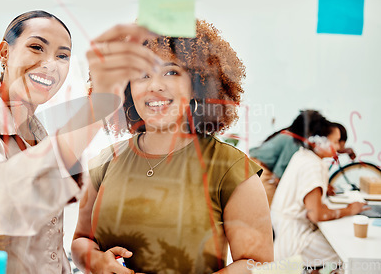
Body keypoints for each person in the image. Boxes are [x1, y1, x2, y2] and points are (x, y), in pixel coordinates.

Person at [0, 11, 159, 273]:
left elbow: (47, 244)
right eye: (36, 47)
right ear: (4, 53)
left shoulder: (39, 134)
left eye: (62, 55)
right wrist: (94, 108)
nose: (50, 64)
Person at [71, 20, 274, 273]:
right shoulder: (105, 161)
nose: (155, 85)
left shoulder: (230, 168)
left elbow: (258, 265)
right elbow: (81, 241)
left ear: (197, 84)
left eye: (171, 72)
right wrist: (97, 261)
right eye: (142, 75)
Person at [271, 115, 368, 267]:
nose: (338, 148)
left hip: (285, 232)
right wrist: (350, 209)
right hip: (295, 240)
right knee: (347, 254)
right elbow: (316, 214)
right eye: (335, 142)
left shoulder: (303, 156)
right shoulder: (313, 165)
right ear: (319, 140)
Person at [250, 110, 326, 205]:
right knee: (269, 208)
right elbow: (278, 175)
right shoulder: (293, 142)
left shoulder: (288, 134)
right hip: (262, 171)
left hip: (254, 165)